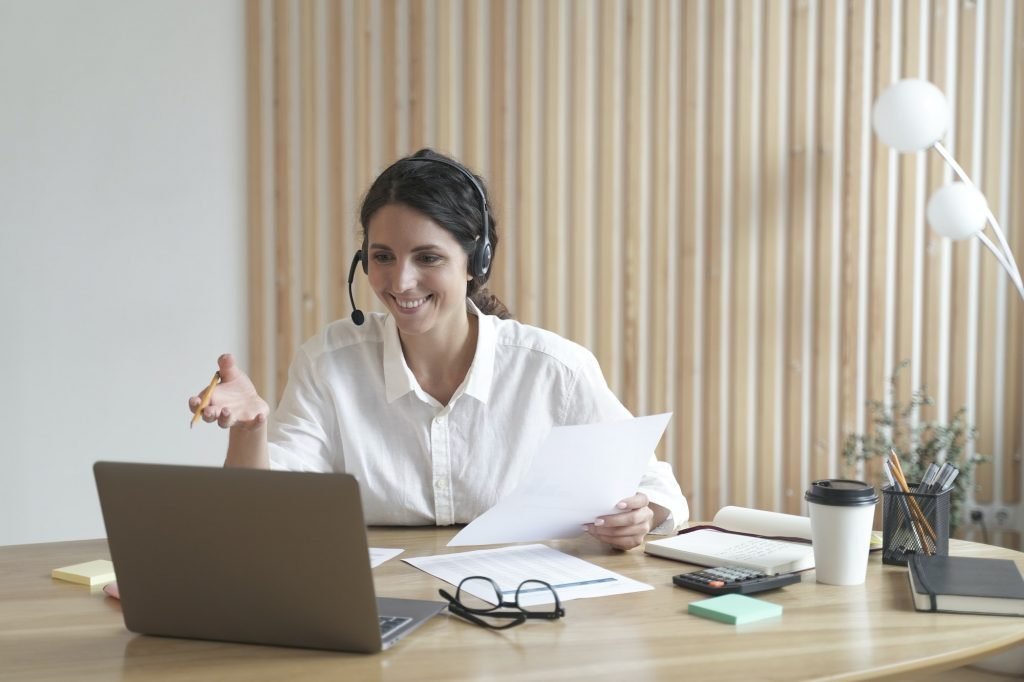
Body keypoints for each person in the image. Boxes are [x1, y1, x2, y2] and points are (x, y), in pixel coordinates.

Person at [189, 148, 688, 550]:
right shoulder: (329, 363)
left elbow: (657, 487)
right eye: (382, 257)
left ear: (476, 262)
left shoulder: (554, 369)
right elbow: (260, 514)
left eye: (427, 257)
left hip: (526, 612)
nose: (400, 281)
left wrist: (642, 515)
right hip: (385, 611)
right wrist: (251, 430)